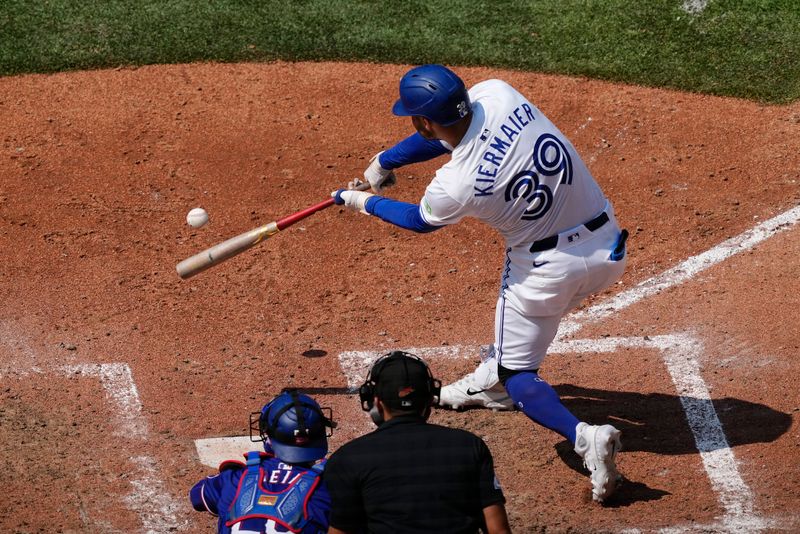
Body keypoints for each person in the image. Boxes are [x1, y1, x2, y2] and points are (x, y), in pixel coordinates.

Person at [332, 64, 629, 503]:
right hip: (608, 248)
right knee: (518, 335)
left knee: (519, 375)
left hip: (546, 271)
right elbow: (447, 130)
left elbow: (418, 220)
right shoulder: (498, 93)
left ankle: (583, 437)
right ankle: (490, 379)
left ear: (422, 121)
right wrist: (384, 162)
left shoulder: (456, 183)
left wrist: (360, 199)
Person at [325, 350, 511, 533]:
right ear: (430, 399)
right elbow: (498, 530)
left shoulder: (348, 459)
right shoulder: (469, 446)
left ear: (376, 403)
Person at [189, 390, 336, 533]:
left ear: (269, 439)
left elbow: (197, 496)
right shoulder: (332, 487)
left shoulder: (235, 478)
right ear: (321, 435)